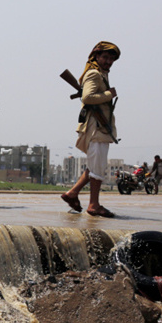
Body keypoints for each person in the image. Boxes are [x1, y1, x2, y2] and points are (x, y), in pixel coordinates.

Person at [60, 41, 121, 218]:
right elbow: (87, 98)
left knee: (94, 166)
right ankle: (93, 205)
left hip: (99, 128)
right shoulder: (94, 74)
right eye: (105, 57)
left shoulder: (100, 75)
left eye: (111, 59)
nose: (108, 62)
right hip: (96, 129)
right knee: (97, 169)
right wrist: (109, 94)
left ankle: (72, 194)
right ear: (96, 57)